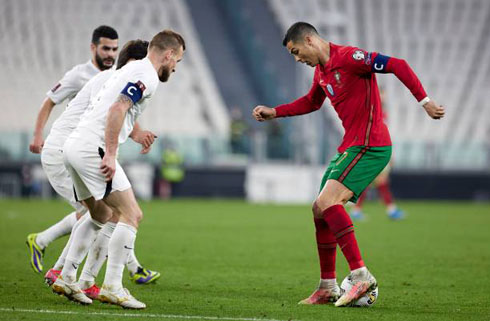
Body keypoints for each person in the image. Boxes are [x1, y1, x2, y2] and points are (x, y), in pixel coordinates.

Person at [252, 22, 445, 307]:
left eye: (296, 51)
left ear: (309, 40)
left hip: (371, 145)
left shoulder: (352, 58)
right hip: (351, 146)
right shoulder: (321, 73)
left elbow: (399, 65)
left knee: (329, 202)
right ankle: (327, 287)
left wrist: (424, 101)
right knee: (319, 209)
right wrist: (275, 112)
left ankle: (361, 275)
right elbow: (311, 102)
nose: (297, 59)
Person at [52, 30, 185, 309]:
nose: (175, 67)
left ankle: (67, 277)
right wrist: (111, 154)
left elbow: (110, 105)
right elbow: (117, 109)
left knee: (101, 213)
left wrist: (132, 136)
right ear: (169, 54)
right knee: (131, 214)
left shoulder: (129, 68)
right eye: (178, 61)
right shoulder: (147, 74)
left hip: (74, 145)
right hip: (93, 148)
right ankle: (113, 286)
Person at [27, 25, 119, 273]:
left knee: (102, 213)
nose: (110, 54)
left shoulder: (114, 77)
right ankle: (63, 270)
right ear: (93, 48)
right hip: (66, 149)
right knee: (99, 214)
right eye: (106, 48)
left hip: (84, 151)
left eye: (114, 49)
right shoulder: (79, 75)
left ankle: (45, 245)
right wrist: (37, 134)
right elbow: (49, 101)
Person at [350, 89, 404, 221]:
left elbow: (385, 135)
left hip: (379, 149)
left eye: (384, 96)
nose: (383, 99)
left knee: (379, 181)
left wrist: (389, 154)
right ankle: (389, 210)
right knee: (374, 181)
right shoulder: (371, 111)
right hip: (372, 151)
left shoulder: (383, 114)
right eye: (381, 96)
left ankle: (359, 210)